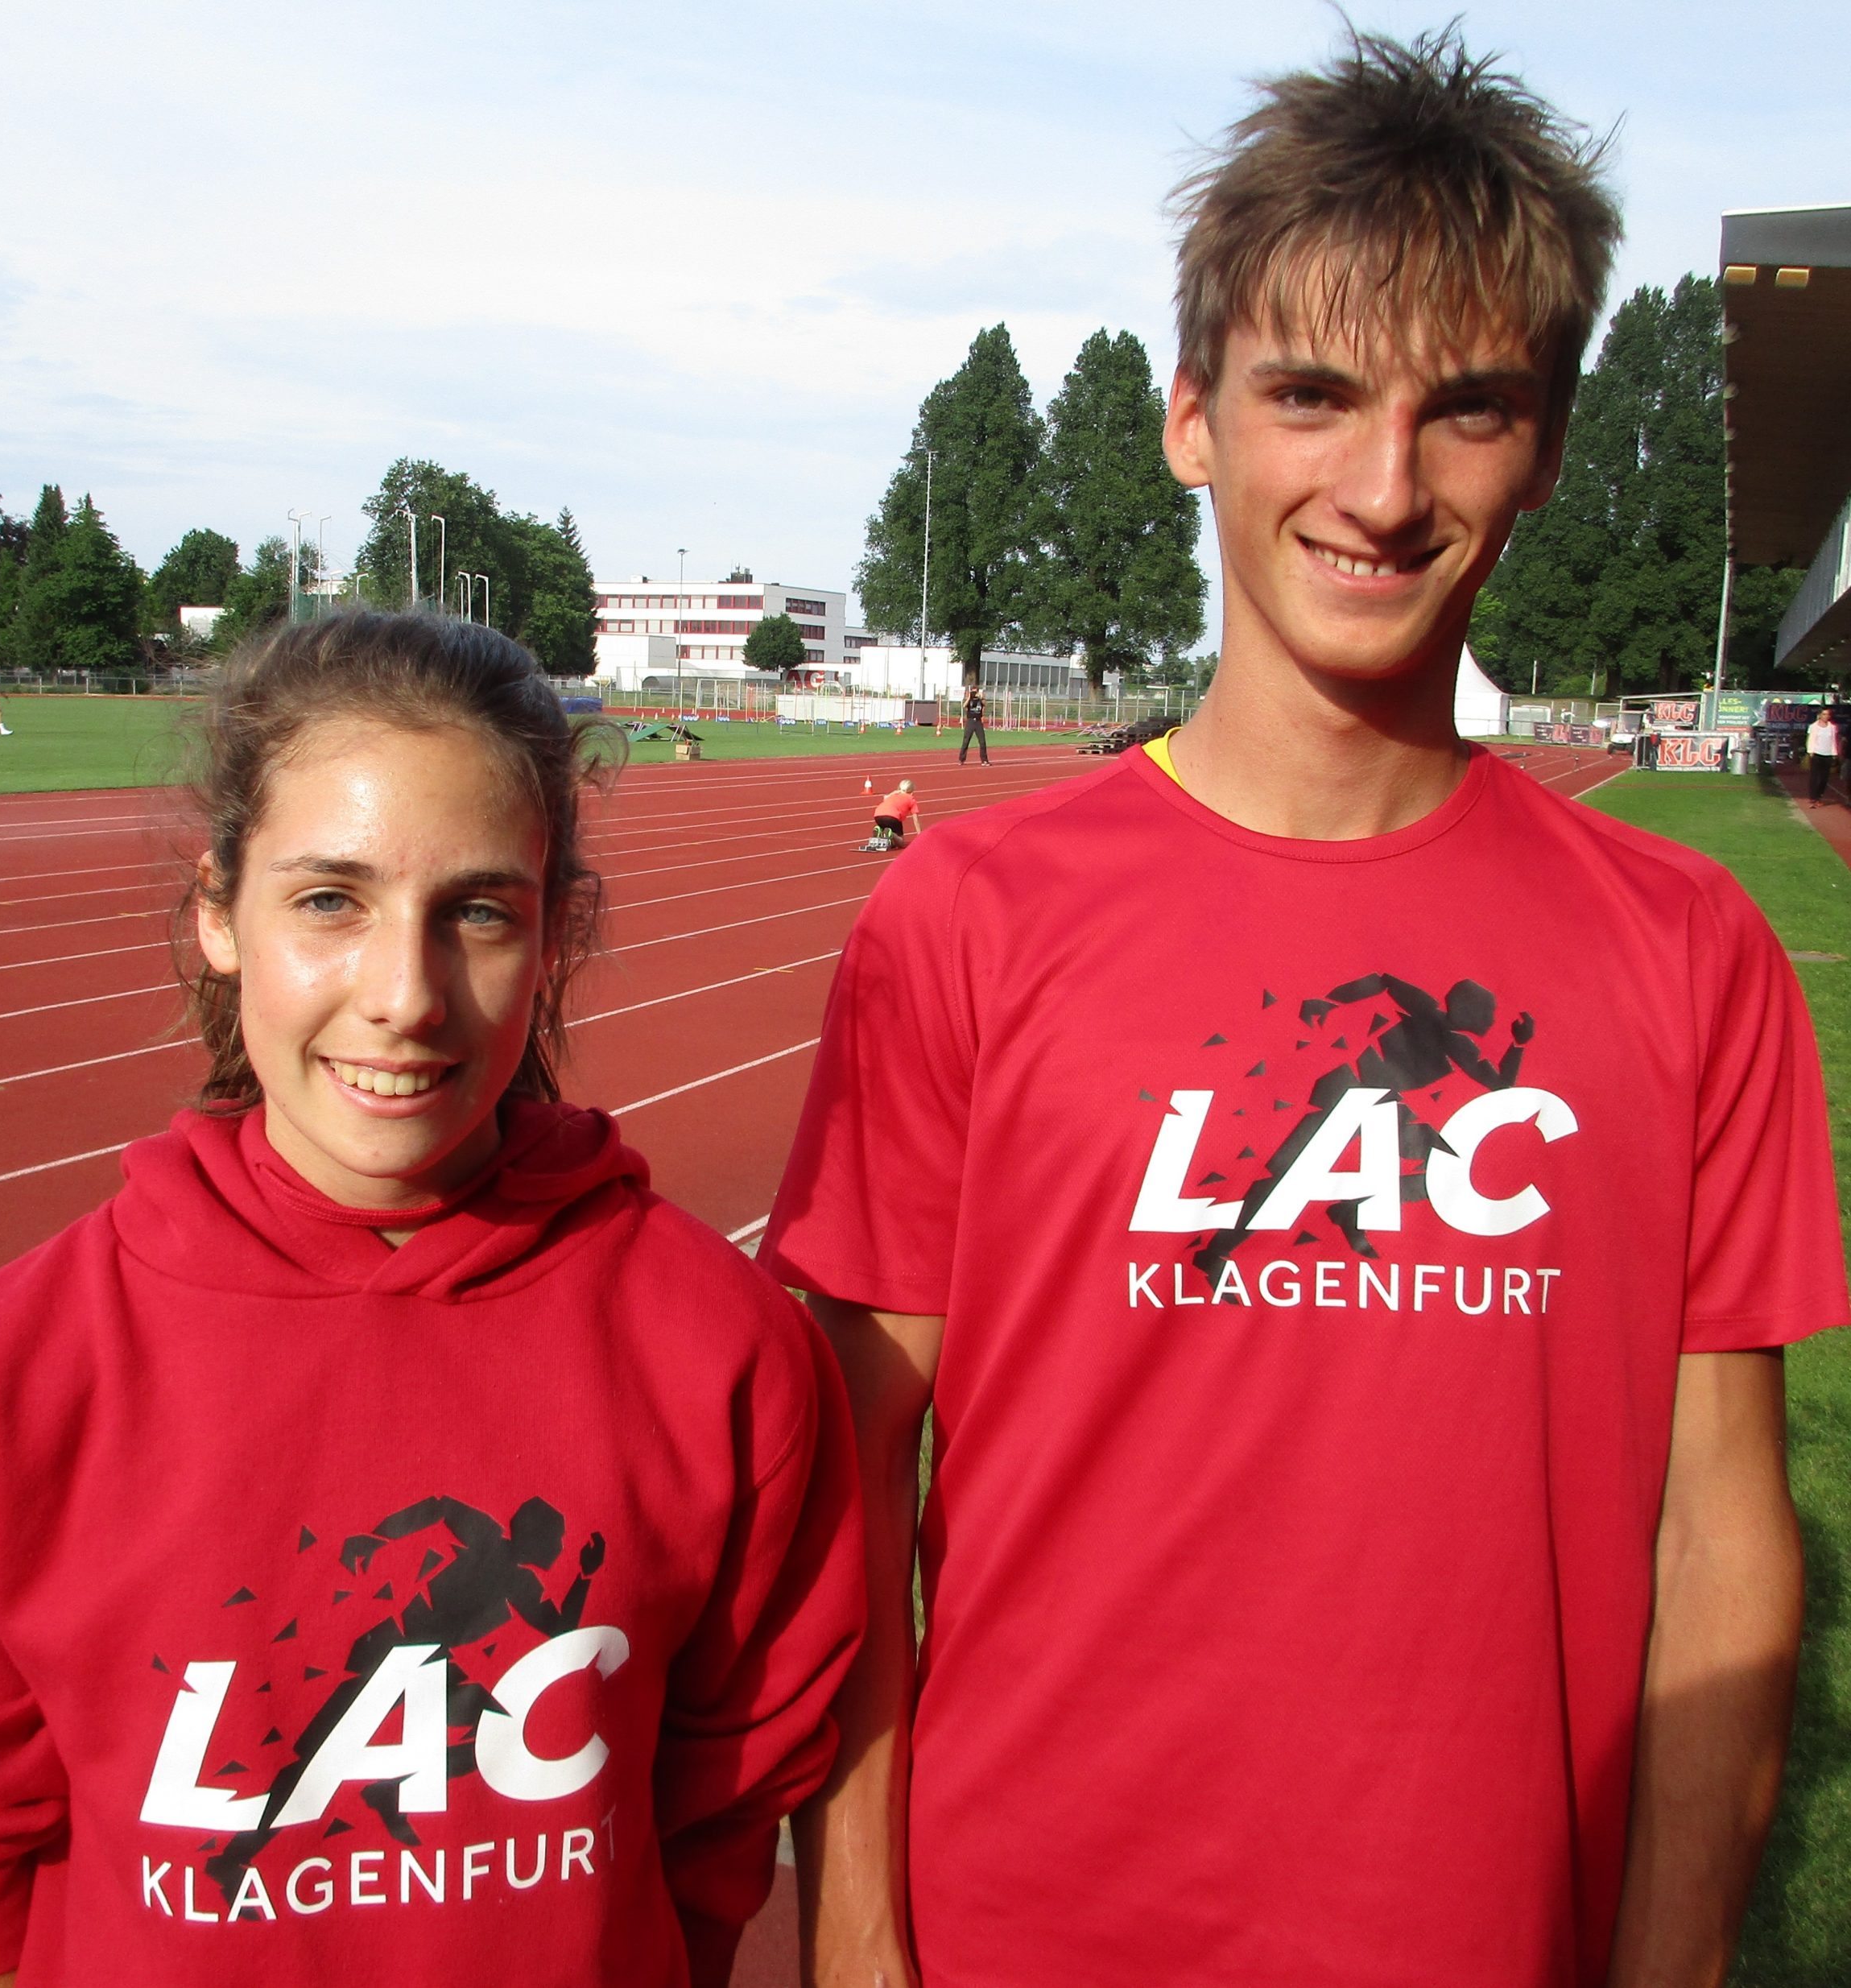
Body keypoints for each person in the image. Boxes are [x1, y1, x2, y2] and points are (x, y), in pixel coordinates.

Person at [762, 27, 1842, 1988]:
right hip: (1030, 1930)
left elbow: (1718, 1548)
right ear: (1189, 416)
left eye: (1464, 411)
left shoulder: (1686, 954)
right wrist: (853, 1934)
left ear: (1546, 446)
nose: (1376, 484)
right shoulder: (964, 921)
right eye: (1308, 393)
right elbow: (858, 1497)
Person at [0, 612, 862, 1988]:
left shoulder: (725, 1353)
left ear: (556, 933)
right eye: (329, 900)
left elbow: (719, 1811)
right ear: (217, 911)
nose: (403, 994)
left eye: (478, 909)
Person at [871, 778, 920, 850]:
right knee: (901, 843)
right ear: (912, 792)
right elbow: (916, 820)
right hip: (893, 817)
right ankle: (891, 834)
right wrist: (920, 835)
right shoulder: (911, 799)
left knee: (891, 838)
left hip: (878, 815)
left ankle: (880, 829)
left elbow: (885, 799)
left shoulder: (893, 795)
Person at [1806, 703, 1838, 804]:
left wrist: (1834, 753)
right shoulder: (1813, 727)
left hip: (1827, 754)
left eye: (1828, 715)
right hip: (1816, 754)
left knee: (1824, 778)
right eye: (1824, 714)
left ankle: (1819, 795)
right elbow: (1811, 740)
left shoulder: (1832, 727)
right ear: (1820, 715)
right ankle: (1813, 797)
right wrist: (1811, 752)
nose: (1826, 717)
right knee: (1815, 776)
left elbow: (1833, 741)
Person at [956, 685, 990, 766]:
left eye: (975, 692)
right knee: (966, 741)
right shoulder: (969, 700)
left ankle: (984, 760)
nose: (974, 694)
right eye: (973, 692)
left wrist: (981, 698)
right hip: (970, 721)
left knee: (982, 741)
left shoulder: (980, 700)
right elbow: (964, 706)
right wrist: (969, 697)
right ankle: (961, 759)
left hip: (978, 722)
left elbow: (985, 704)